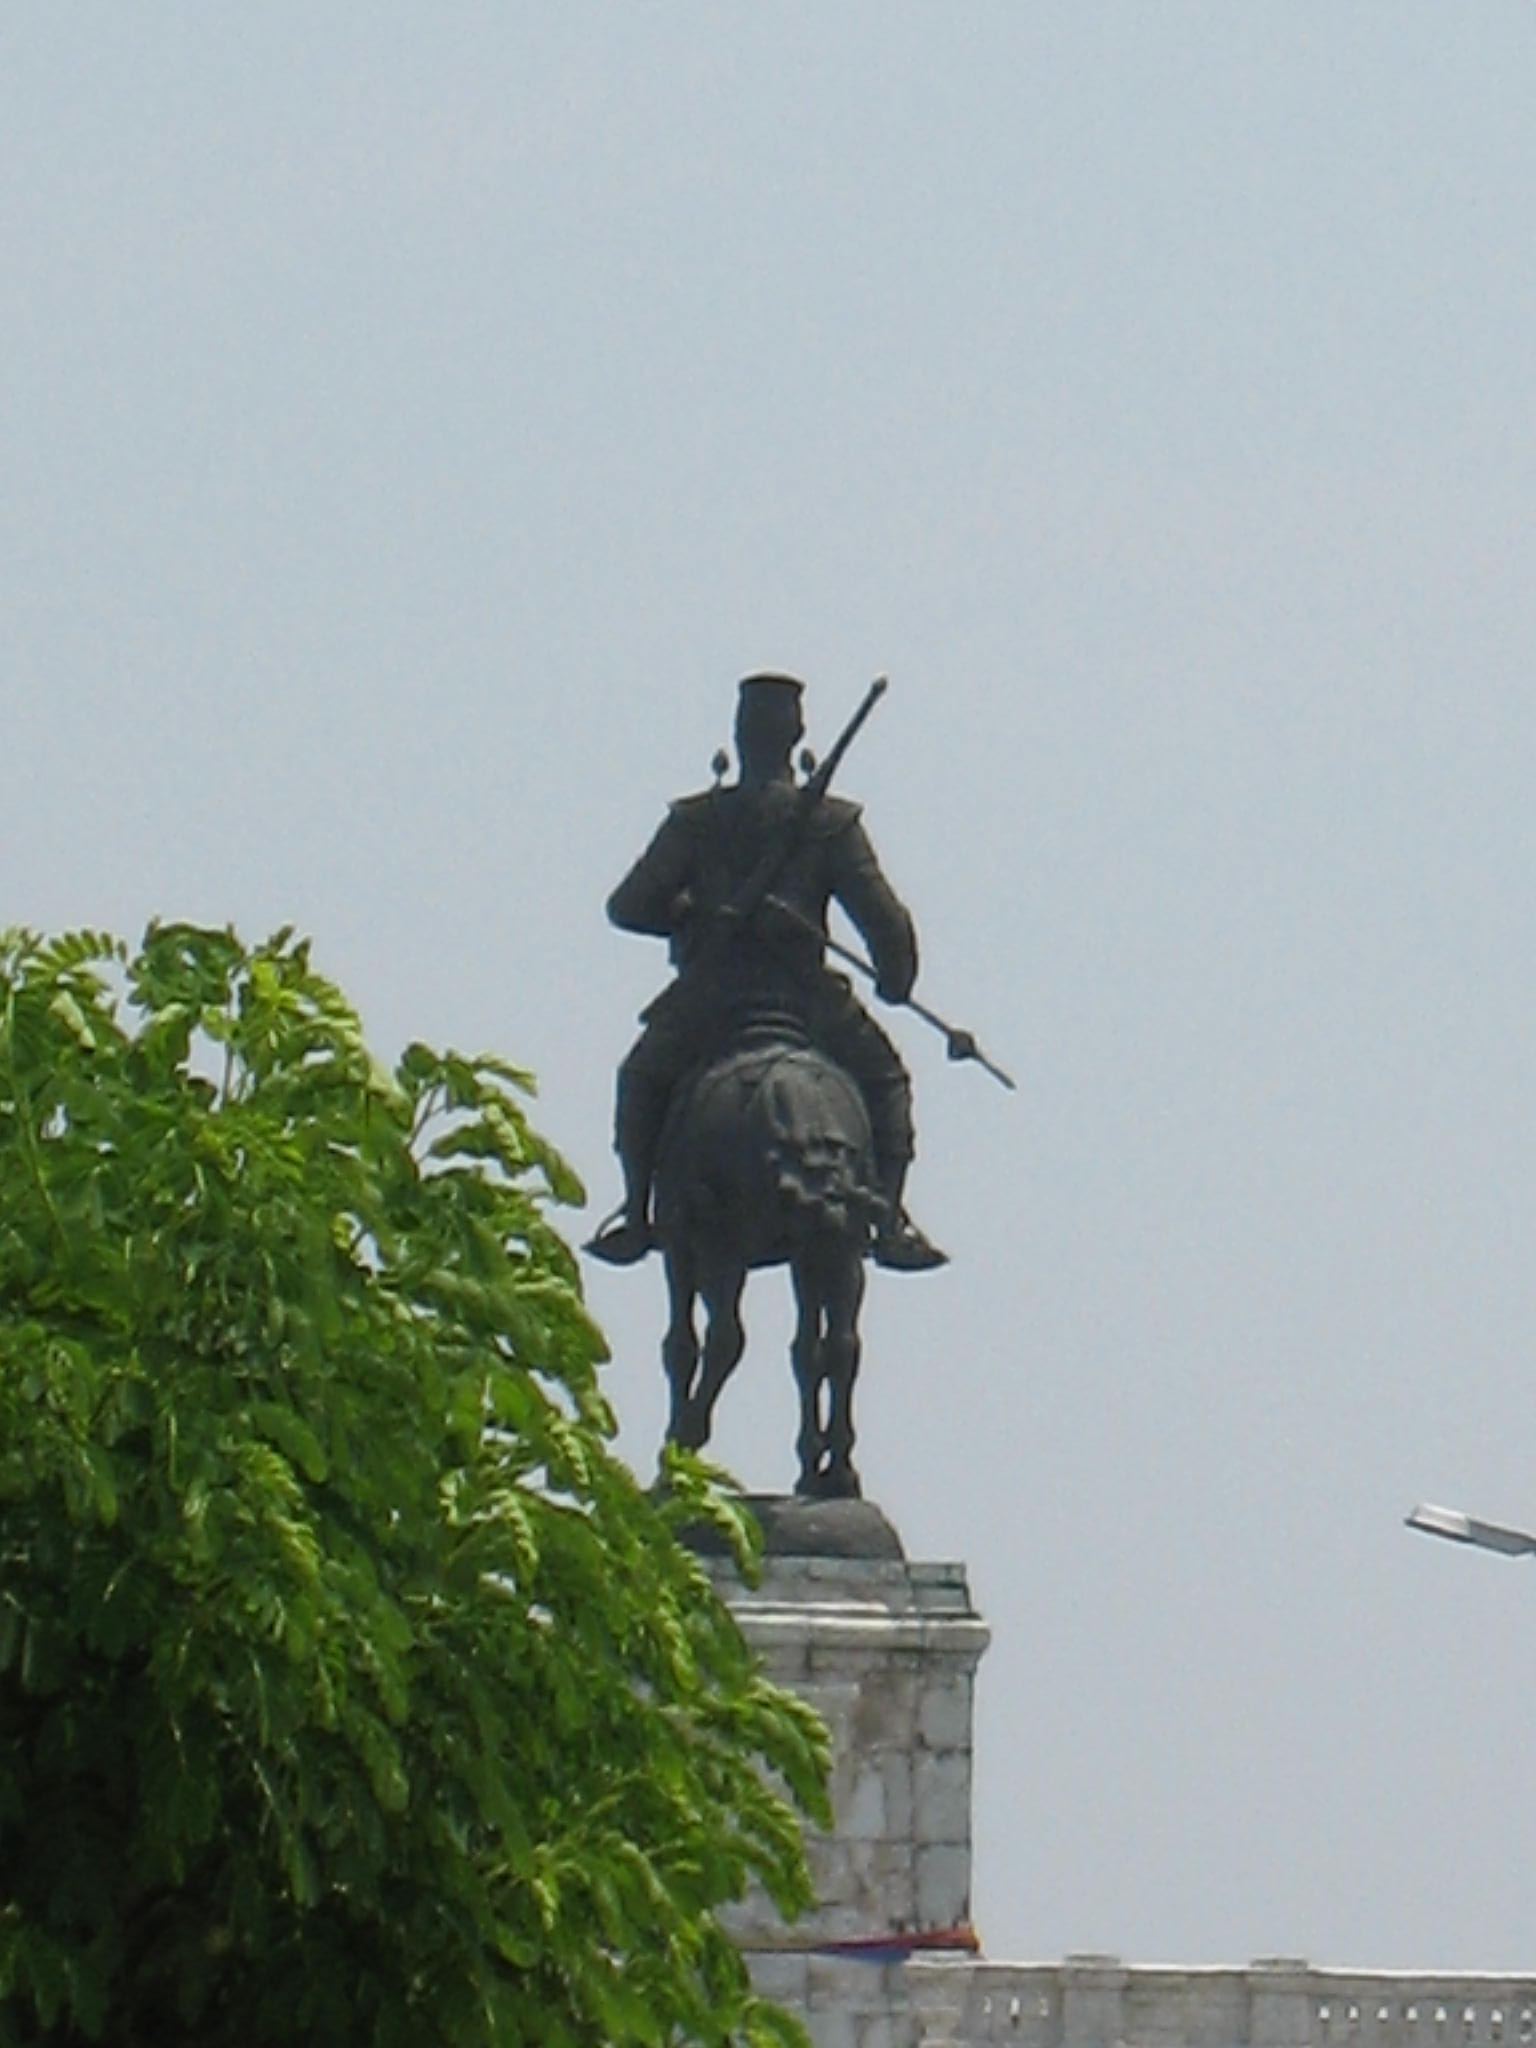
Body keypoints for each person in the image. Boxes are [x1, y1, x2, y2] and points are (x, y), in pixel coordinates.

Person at [587, 672, 946, 1272]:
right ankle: (888, 1218)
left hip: (711, 998)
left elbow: (631, 905)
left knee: (642, 1078)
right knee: (885, 1082)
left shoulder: (699, 820)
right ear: (796, 735)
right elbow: (887, 924)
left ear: (739, 733)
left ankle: (635, 1212)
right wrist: (895, 976)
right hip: (806, 1000)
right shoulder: (831, 824)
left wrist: (690, 916)